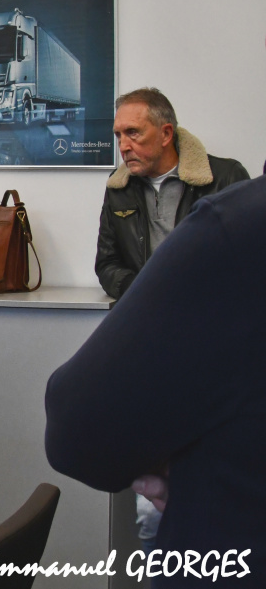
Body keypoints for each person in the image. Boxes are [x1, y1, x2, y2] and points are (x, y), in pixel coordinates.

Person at [46, 177, 266, 586]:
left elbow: (78, 424)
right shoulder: (122, 191)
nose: (124, 147)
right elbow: (107, 263)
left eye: (134, 139)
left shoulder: (235, 222)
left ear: (166, 141)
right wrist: (144, 295)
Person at [94, 87, 248, 299]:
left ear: (166, 134)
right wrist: (139, 290)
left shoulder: (225, 177)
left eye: (133, 132)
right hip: (147, 308)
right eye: (118, 135)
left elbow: (249, 257)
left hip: (210, 309)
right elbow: (107, 264)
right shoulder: (119, 186)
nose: (123, 146)